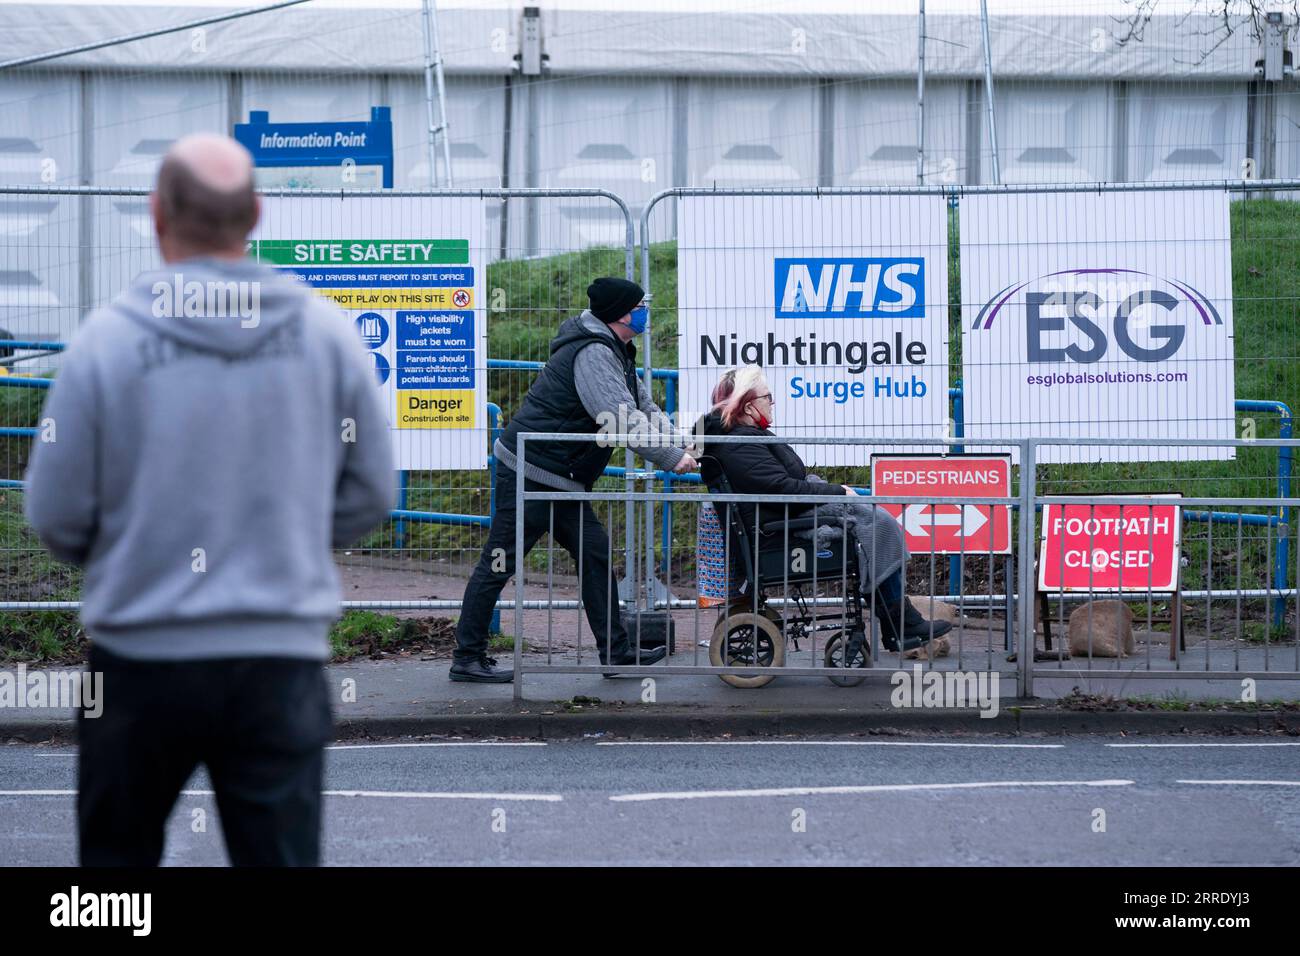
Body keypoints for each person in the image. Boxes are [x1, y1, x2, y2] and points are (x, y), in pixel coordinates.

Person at [23, 133, 395, 866]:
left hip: (137, 660)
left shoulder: (104, 344)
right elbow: (373, 492)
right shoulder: (327, 336)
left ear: (157, 214)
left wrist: (130, 557)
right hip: (277, 660)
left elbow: (55, 512)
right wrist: (284, 540)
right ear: (254, 213)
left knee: (111, 883)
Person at [452, 277, 697, 682]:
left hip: (560, 477)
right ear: (621, 313)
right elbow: (618, 419)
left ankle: (616, 653)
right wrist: (672, 458)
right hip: (530, 472)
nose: (645, 313)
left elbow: (644, 408)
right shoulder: (594, 352)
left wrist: (685, 445)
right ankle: (467, 658)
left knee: (595, 553)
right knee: (499, 563)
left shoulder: (617, 349)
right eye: (640, 307)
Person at [697, 365, 951, 653]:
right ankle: (901, 623)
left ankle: (902, 621)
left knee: (874, 521)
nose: (772, 403)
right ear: (748, 404)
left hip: (777, 519)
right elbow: (783, 489)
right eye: (768, 397)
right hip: (777, 528)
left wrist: (832, 492)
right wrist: (837, 491)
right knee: (878, 524)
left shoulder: (738, 437)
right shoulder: (739, 444)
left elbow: (781, 485)